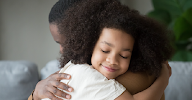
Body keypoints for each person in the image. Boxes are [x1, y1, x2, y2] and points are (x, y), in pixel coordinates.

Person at [28, 0, 173, 100]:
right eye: (58, 43)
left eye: (66, 42)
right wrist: (36, 93)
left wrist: (163, 79)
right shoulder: (81, 69)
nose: (61, 50)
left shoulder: (126, 75)